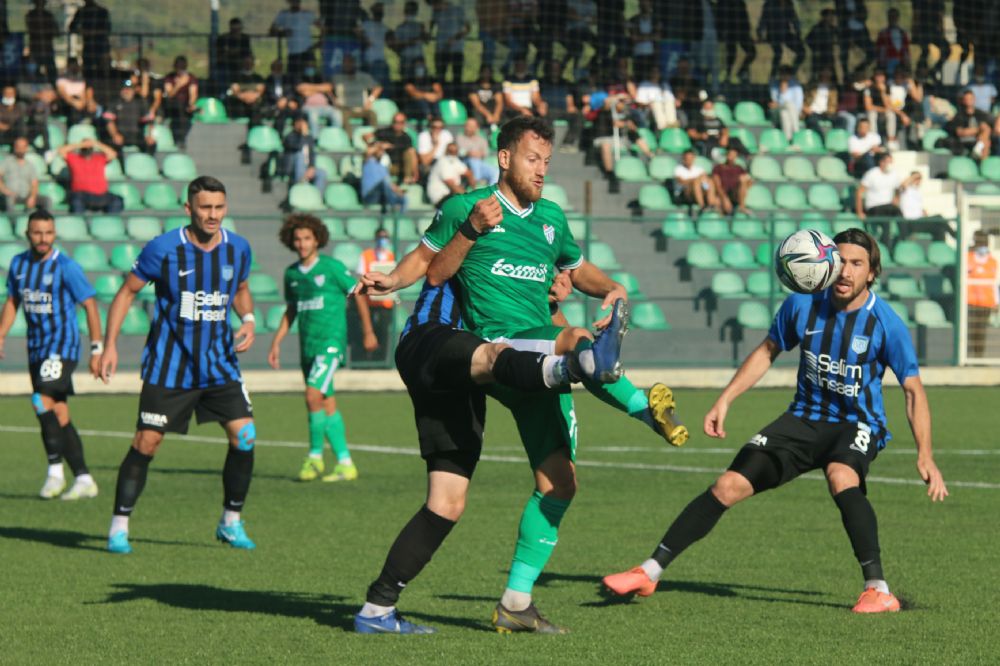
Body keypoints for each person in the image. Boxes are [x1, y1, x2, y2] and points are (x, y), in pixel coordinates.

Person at [354, 115, 684, 634]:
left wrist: (613, 288)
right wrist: (393, 280)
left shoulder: (551, 216)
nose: (541, 170)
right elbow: (432, 264)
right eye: (533, 158)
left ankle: (512, 602)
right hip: (499, 345)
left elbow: (575, 269)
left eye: (547, 162)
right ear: (504, 157)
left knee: (559, 483)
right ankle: (642, 405)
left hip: (530, 357)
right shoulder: (469, 207)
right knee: (577, 342)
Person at [603, 227, 949, 614]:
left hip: (857, 423)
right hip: (801, 420)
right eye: (842, 261)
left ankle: (878, 589)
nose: (847, 272)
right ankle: (650, 571)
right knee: (728, 485)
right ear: (828, 262)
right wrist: (725, 400)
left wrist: (926, 455)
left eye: (858, 264)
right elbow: (767, 352)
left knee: (841, 476)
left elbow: (913, 391)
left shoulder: (886, 324)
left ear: (871, 273)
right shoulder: (802, 305)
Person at [100, 176, 258, 555]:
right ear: (189, 209)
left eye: (219, 207)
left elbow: (240, 289)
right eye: (205, 208)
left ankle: (230, 522)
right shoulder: (164, 248)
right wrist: (107, 346)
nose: (213, 215)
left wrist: (249, 318)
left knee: (246, 436)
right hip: (170, 369)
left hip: (219, 365)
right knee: (147, 443)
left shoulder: (239, 248)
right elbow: (126, 293)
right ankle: (119, 526)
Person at [0, 209, 103, 500]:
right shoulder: (19, 264)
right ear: (27, 234)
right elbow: (12, 302)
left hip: (62, 347)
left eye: (48, 233)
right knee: (58, 412)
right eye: (37, 233)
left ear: (54, 234)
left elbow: (91, 305)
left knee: (40, 401)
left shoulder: (66, 267)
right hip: (37, 348)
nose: (43, 238)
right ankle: (84, 478)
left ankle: (55, 472)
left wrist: (97, 348)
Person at [268, 213, 377, 482]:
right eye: (298, 239)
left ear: (317, 239)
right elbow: (291, 310)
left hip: (330, 343)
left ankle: (314, 458)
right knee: (325, 402)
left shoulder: (331, 267)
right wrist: (276, 342)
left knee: (312, 395)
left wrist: (368, 331)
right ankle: (345, 463)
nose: (302, 243)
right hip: (308, 346)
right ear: (291, 242)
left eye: (307, 238)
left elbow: (358, 293)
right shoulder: (292, 274)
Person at [354, 227, 396, 356]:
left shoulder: (391, 256)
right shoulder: (366, 255)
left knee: (383, 333)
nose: (382, 240)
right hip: (369, 303)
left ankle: (381, 360)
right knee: (366, 331)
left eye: (385, 237)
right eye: (380, 237)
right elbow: (360, 275)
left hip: (386, 304)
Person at [58, 138, 124, 214]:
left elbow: (113, 154)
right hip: (81, 195)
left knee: (117, 200)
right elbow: (61, 151)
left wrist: (96, 144)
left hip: (101, 195)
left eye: (89, 147)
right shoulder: (73, 158)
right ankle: (79, 222)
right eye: (85, 148)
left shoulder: (100, 158)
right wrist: (81, 144)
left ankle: (110, 222)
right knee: (76, 201)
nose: (87, 149)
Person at [856, 152, 902, 247]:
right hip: (874, 208)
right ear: (881, 162)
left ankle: (903, 240)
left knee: (898, 214)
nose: (890, 164)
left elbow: (898, 190)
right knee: (889, 214)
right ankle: (886, 247)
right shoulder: (871, 174)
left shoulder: (894, 174)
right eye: (888, 162)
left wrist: (896, 199)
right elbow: (859, 192)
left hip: (888, 208)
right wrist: (859, 212)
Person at [538, 60, 584, 153]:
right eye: (553, 68)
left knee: (578, 116)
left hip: (562, 110)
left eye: (557, 69)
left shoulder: (566, 83)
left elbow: (569, 99)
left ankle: (567, 143)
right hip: (548, 110)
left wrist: (571, 106)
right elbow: (536, 96)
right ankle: (547, 142)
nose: (555, 71)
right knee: (545, 117)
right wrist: (540, 104)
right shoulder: (541, 82)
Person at [270, 0, 320, 82]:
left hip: (307, 54)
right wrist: (283, 32)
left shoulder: (307, 14)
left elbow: (323, 28)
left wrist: (318, 44)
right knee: (293, 80)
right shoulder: (283, 15)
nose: (295, 2)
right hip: (293, 55)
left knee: (311, 77)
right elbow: (272, 31)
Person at [103, 80, 156, 154]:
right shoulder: (114, 102)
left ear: (133, 91)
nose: (126, 91)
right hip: (121, 135)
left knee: (151, 144)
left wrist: (149, 135)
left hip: (137, 136)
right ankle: (120, 165)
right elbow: (109, 121)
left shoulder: (140, 102)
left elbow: (149, 121)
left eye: (128, 89)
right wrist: (115, 134)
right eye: (124, 89)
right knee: (114, 144)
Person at [967, 232, 998, 358]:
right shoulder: (967, 258)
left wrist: (997, 301)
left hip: (986, 302)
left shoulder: (993, 262)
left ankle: (978, 357)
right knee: (971, 330)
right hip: (970, 301)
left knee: (981, 331)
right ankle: (967, 357)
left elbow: (994, 283)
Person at [758, 0, 805, 81]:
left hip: (786, 33)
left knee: (801, 52)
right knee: (778, 53)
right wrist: (760, 34)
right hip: (773, 34)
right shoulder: (769, 4)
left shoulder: (789, 4)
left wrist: (798, 34)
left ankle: (791, 74)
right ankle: (773, 76)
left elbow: (794, 19)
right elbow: (763, 20)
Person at [0, 137, 49, 212]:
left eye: (23, 147)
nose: (20, 149)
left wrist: (32, 196)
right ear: (15, 147)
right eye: (18, 147)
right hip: (10, 195)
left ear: (26, 148)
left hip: (26, 195)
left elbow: (34, 184)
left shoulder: (30, 165)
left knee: (46, 200)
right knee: (9, 199)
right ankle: (13, 222)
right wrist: (5, 190)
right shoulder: (7, 162)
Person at [331, 54, 381, 127]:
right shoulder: (337, 77)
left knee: (372, 114)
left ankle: (375, 137)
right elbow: (327, 88)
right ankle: (349, 138)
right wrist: (334, 100)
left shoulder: (363, 76)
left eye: (350, 62)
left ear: (354, 64)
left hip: (363, 108)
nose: (347, 65)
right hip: (345, 109)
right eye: (345, 63)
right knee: (343, 117)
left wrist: (370, 100)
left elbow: (378, 88)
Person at [430, 0, 469, 92]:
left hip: (456, 50)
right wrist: (429, 33)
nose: (433, 8)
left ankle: (457, 98)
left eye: (434, 5)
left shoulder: (457, 10)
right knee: (440, 77)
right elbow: (432, 24)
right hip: (441, 50)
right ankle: (440, 99)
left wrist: (455, 38)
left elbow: (467, 28)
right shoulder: (435, 12)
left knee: (457, 77)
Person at [68, 0, 112, 79]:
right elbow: (72, 27)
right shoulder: (82, 11)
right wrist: (83, 31)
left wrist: (92, 32)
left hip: (101, 46)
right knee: (88, 71)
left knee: (102, 70)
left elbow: (107, 29)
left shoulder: (101, 11)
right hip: (89, 46)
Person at [372, 112, 419, 184]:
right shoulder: (384, 132)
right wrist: (379, 144)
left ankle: (407, 178)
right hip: (385, 165)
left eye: (401, 122)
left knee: (409, 152)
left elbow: (412, 154)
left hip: (400, 167)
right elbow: (366, 136)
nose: (398, 124)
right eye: (395, 122)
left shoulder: (406, 138)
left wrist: (415, 172)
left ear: (404, 124)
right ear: (392, 122)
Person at [942, 90, 992, 160]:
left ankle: (978, 151)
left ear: (974, 100)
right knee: (986, 142)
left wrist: (981, 131)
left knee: (986, 135)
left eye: (971, 99)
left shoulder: (980, 114)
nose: (969, 101)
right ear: (963, 101)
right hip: (965, 141)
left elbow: (987, 127)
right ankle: (982, 163)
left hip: (979, 140)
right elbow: (961, 132)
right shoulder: (959, 115)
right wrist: (978, 129)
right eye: (967, 99)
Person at [283, 114, 327, 191]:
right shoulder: (290, 136)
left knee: (321, 173)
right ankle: (301, 184)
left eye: (303, 123)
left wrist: (311, 167)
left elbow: (312, 154)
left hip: (306, 168)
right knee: (300, 155)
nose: (302, 125)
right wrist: (303, 134)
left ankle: (316, 197)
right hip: (293, 168)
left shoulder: (309, 138)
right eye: (299, 123)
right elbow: (298, 147)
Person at [162, 56, 199, 149]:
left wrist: (191, 104)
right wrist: (178, 85)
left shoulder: (191, 78)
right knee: (179, 109)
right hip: (172, 105)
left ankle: (181, 139)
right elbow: (169, 94)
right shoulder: (169, 77)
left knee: (185, 113)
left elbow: (193, 94)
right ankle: (179, 139)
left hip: (185, 107)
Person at [361, 141, 408, 212]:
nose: (381, 151)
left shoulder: (383, 168)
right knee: (383, 183)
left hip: (382, 196)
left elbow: (390, 185)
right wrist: (380, 146)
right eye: (380, 150)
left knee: (403, 198)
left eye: (382, 150)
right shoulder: (368, 161)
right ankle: (393, 206)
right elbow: (367, 152)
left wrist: (399, 191)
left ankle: (400, 219)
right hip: (369, 196)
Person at [426, 141, 475, 206]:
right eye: (450, 151)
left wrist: (474, 190)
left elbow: (469, 173)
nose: (453, 153)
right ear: (446, 151)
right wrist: (469, 198)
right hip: (440, 198)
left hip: (451, 196)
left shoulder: (455, 161)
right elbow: (451, 184)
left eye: (455, 151)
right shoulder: (443, 162)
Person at [389, 1, 428, 81]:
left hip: (418, 60)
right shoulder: (400, 28)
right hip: (406, 59)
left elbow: (426, 41)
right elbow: (396, 45)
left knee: (418, 81)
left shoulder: (419, 26)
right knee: (407, 83)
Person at [836, 0, 875, 77]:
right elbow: (840, 15)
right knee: (844, 57)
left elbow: (864, 14)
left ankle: (858, 71)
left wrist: (854, 14)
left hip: (861, 31)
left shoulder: (859, 2)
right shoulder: (840, 2)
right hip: (845, 32)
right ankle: (846, 76)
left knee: (872, 53)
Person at [912, 0, 949, 81]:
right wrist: (915, 31)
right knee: (925, 51)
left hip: (935, 31)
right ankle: (921, 73)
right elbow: (916, 16)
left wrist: (941, 31)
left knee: (946, 50)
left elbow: (941, 17)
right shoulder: (919, 3)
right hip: (922, 30)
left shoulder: (939, 3)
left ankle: (933, 71)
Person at [401, 57, 443, 128]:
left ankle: (438, 120)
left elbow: (439, 93)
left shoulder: (431, 79)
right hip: (414, 108)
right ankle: (429, 119)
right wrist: (427, 95)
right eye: (418, 67)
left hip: (431, 106)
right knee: (421, 100)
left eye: (421, 66)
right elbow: (413, 93)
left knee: (435, 101)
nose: (420, 69)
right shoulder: (409, 80)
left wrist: (433, 96)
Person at [226, 56, 267, 128]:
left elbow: (260, 90)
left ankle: (255, 129)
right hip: (240, 104)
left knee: (256, 109)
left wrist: (252, 97)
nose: (248, 64)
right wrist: (245, 97)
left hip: (255, 104)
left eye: (250, 63)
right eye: (246, 63)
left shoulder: (258, 77)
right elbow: (235, 90)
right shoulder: (236, 77)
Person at [25, 0, 60, 83]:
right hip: (37, 47)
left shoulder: (48, 15)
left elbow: (56, 31)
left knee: (50, 70)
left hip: (46, 47)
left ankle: (52, 86)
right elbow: (32, 29)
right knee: (36, 70)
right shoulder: (31, 15)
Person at [457, 117, 498, 184]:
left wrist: (478, 154)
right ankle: (477, 184)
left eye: (473, 126)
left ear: (477, 127)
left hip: (480, 163)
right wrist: (469, 153)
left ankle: (491, 193)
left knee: (495, 171)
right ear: (465, 127)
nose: (470, 128)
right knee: (473, 160)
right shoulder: (460, 138)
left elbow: (486, 153)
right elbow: (460, 152)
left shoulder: (482, 139)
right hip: (464, 163)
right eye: (468, 126)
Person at [216, 17, 253, 89]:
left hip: (241, 66)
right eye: (234, 30)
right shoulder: (223, 38)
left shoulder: (244, 38)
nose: (236, 32)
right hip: (226, 66)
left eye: (238, 29)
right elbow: (220, 55)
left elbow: (247, 53)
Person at [712, 147, 751, 215]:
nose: (732, 156)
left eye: (734, 155)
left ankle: (742, 206)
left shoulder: (739, 168)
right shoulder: (718, 168)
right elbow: (717, 185)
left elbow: (748, 181)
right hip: (722, 193)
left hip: (735, 193)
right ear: (727, 155)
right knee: (716, 203)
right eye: (730, 154)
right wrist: (724, 198)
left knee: (743, 180)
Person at [360, 3, 391, 90]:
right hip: (372, 62)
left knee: (380, 88)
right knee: (377, 88)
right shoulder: (366, 25)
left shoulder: (383, 27)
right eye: (379, 11)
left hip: (379, 62)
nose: (381, 13)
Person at [769, 65, 804, 141]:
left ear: (790, 75)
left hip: (792, 113)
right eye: (782, 74)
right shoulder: (774, 85)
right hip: (778, 112)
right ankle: (796, 133)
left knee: (784, 114)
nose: (784, 76)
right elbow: (775, 103)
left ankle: (788, 140)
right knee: (787, 105)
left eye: (786, 74)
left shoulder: (796, 86)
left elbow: (798, 104)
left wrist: (781, 103)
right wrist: (783, 91)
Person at [803, 67, 841, 135]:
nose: (826, 74)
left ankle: (836, 141)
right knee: (811, 121)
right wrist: (805, 107)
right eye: (824, 72)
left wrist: (829, 112)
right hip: (813, 112)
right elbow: (804, 99)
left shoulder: (833, 89)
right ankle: (822, 139)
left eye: (828, 72)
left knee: (841, 121)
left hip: (827, 113)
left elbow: (833, 104)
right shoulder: (812, 85)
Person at [874, 8, 910, 76]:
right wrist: (881, 64)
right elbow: (879, 50)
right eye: (891, 16)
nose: (893, 18)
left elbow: (906, 49)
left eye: (895, 16)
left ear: (898, 18)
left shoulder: (902, 33)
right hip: (887, 62)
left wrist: (907, 62)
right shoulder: (883, 33)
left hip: (900, 62)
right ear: (888, 17)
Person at [806, 9, 838, 83]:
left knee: (832, 76)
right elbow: (808, 40)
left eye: (832, 16)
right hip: (819, 57)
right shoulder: (817, 28)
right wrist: (815, 49)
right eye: (829, 16)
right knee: (816, 76)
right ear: (824, 17)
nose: (831, 18)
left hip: (829, 56)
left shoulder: (833, 29)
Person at [467, 65, 504, 130]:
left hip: (493, 109)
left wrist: (496, 114)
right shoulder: (474, 86)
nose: (486, 74)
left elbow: (499, 102)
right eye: (484, 72)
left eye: (488, 72)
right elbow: (477, 105)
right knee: (478, 119)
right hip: (480, 111)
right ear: (480, 73)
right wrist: (488, 115)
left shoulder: (496, 85)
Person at [56, 58, 90, 127]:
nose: (74, 66)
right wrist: (74, 102)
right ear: (68, 65)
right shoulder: (62, 78)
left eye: (75, 64)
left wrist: (81, 104)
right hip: (66, 106)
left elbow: (83, 96)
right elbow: (63, 94)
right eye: (72, 64)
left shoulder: (81, 79)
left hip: (79, 106)